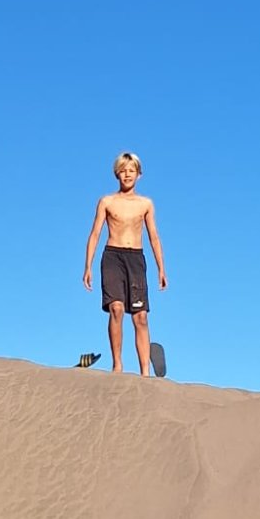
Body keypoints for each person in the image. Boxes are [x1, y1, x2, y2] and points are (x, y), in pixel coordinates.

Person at [82, 151, 167, 373]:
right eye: (123, 171)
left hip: (136, 259)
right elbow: (94, 234)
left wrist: (161, 268)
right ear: (116, 174)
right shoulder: (107, 201)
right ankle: (118, 365)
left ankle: (144, 372)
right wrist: (88, 266)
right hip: (112, 257)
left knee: (140, 317)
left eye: (131, 171)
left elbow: (154, 237)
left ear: (139, 175)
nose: (127, 175)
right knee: (117, 309)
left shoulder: (145, 204)